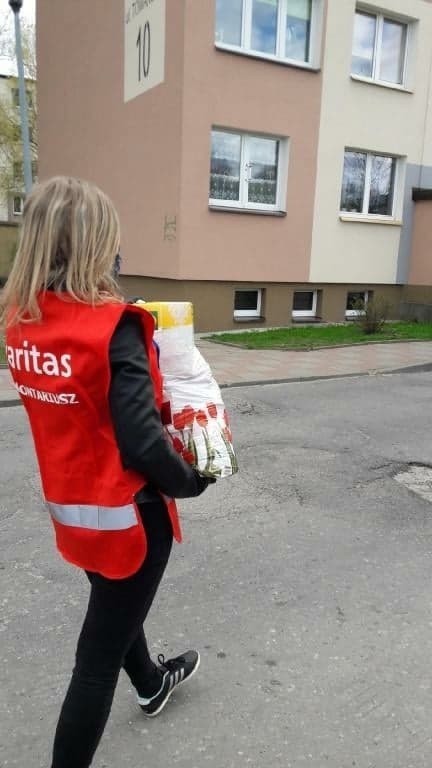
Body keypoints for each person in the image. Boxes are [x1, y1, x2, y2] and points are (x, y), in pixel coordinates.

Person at [0, 176, 214, 768]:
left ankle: (150, 683)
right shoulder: (114, 326)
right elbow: (143, 443)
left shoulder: (21, 321)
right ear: (96, 245)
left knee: (115, 612)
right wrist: (191, 481)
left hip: (74, 511)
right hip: (130, 518)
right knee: (94, 661)